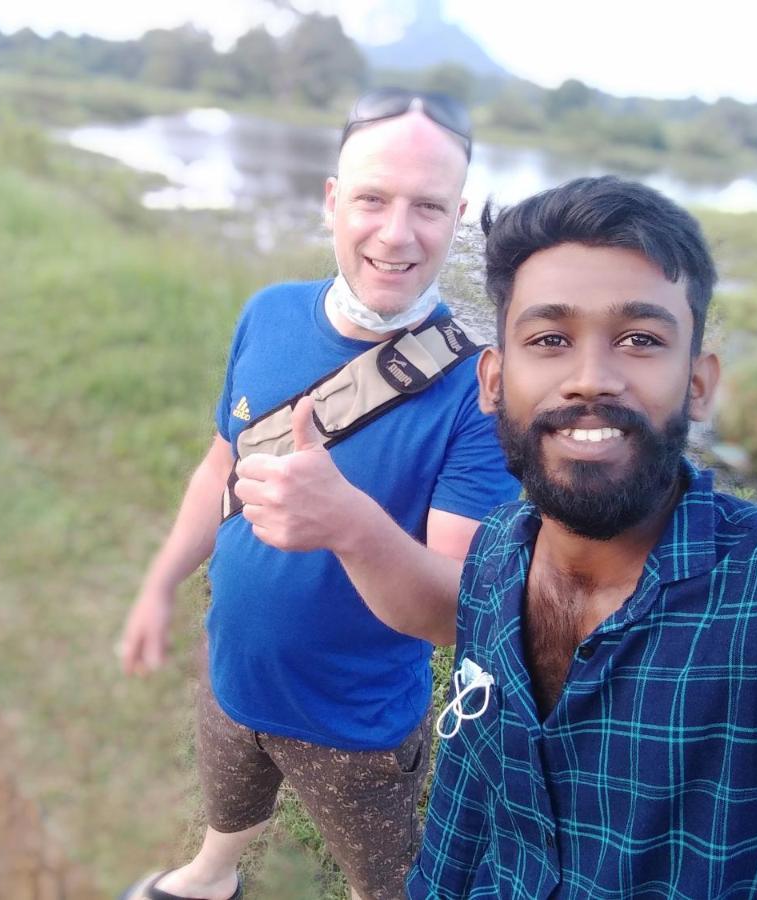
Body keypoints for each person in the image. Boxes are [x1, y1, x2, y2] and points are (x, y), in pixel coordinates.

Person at [406, 176, 757, 898]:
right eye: (549, 339)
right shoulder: (495, 556)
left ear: (698, 384)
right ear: (493, 378)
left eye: (640, 339)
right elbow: (467, 810)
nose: (590, 379)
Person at [117, 89, 519, 900]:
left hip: (356, 721)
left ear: (458, 216)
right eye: (372, 197)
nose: (396, 233)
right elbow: (216, 470)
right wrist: (159, 586)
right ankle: (211, 873)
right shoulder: (267, 314)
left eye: (428, 207)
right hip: (234, 666)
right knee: (229, 790)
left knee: (386, 873)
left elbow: (451, 609)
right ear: (333, 199)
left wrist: (349, 524)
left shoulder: (479, 394)